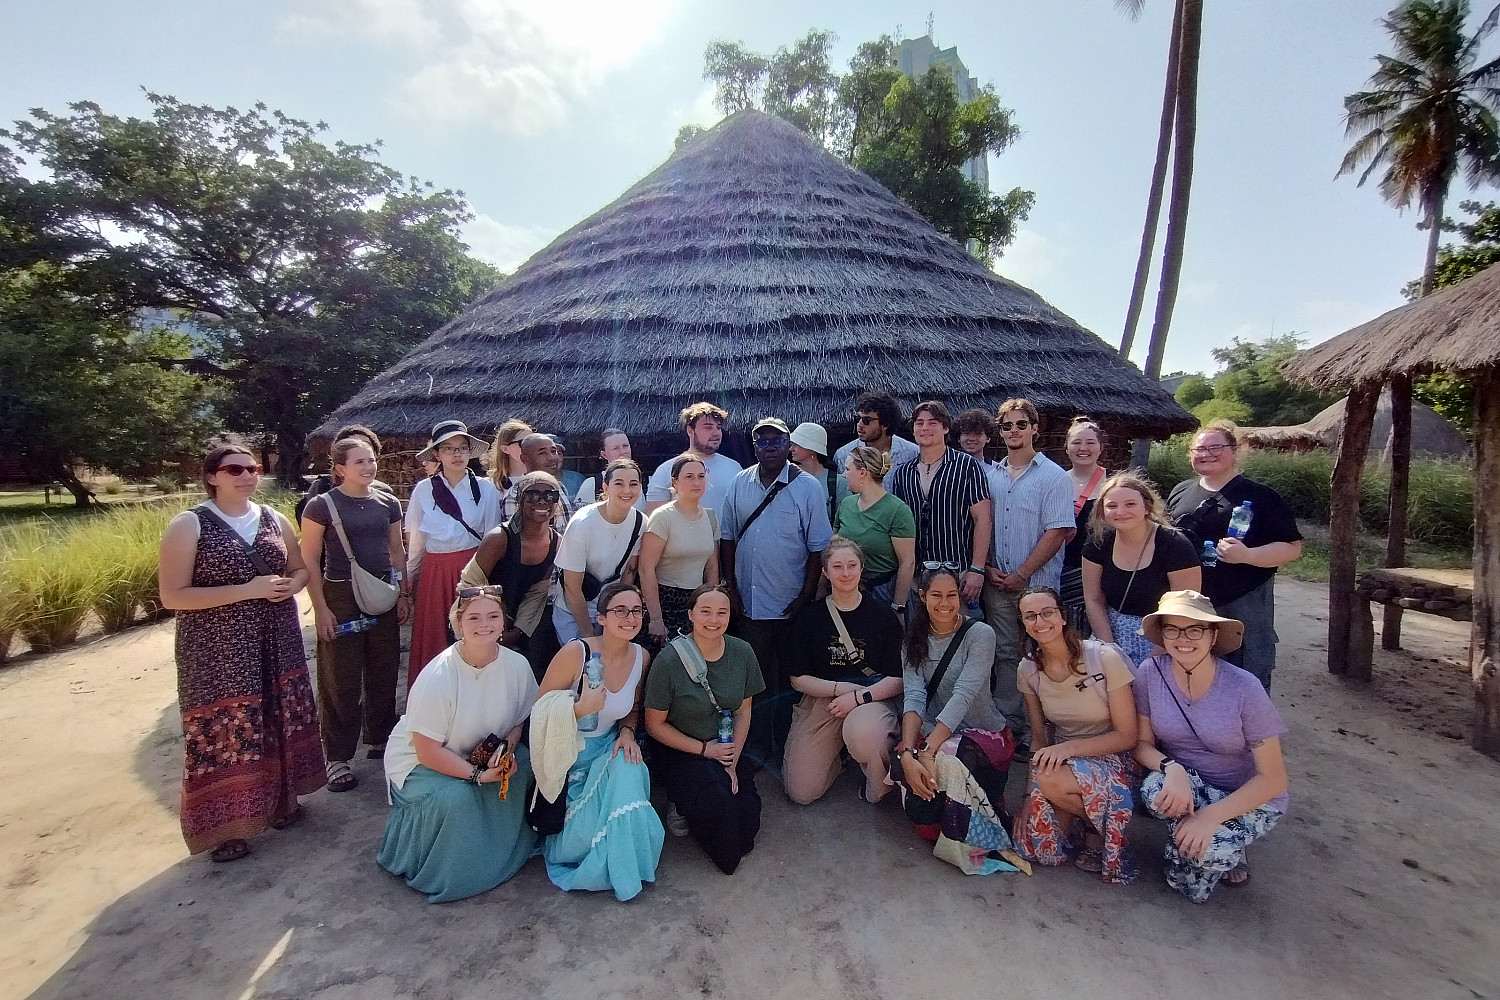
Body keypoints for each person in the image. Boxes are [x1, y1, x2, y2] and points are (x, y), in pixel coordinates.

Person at [158, 443, 324, 863]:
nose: (248, 475)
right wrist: (246, 591)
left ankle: (283, 802)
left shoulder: (273, 518)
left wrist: (295, 584)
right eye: (235, 469)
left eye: (252, 468)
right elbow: (171, 595)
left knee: (278, 714)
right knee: (229, 729)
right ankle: (226, 827)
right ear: (212, 476)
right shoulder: (189, 525)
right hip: (219, 648)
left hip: (276, 636)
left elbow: (298, 567)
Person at [377, 587, 539, 902]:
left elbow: (519, 720)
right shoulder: (439, 675)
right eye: (474, 618)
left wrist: (505, 750)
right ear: (458, 624)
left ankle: (503, 851)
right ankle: (454, 872)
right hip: (422, 761)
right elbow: (427, 751)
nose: (484, 625)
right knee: (458, 798)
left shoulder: (517, 665)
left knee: (526, 767)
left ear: (503, 622)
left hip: (481, 751)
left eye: (493, 616)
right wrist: (477, 775)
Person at [1132, 590, 1290, 902]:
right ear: (1162, 635)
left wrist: (1210, 816)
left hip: (1243, 793)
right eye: (1172, 629)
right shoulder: (1151, 673)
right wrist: (1171, 768)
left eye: (1195, 629)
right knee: (1155, 789)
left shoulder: (1245, 688)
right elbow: (1141, 744)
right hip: (1187, 782)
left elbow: (1273, 779)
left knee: (1201, 867)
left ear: (1213, 634)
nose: (1183, 639)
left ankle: (1213, 840)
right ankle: (1189, 837)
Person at [533, 581, 663, 901]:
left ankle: (629, 871)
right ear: (601, 618)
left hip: (608, 745)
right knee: (578, 841)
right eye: (620, 610)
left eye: (636, 611)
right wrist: (579, 709)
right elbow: (539, 711)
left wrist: (628, 733)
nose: (629, 618)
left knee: (631, 768)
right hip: (569, 756)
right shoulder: (577, 653)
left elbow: (631, 709)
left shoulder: (642, 656)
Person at [720, 417, 834, 767]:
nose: (769, 447)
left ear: (789, 446)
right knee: (753, 682)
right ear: (755, 447)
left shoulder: (809, 488)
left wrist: (805, 597)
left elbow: (818, 548)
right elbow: (726, 539)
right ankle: (754, 749)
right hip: (750, 606)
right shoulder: (740, 482)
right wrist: (731, 589)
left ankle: (785, 749)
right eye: (762, 442)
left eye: (776, 441)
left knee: (787, 681)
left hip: (789, 606)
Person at [892, 567, 1020, 873]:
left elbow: (962, 696)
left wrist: (927, 751)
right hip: (935, 736)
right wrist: (909, 752)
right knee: (922, 815)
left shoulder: (980, 635)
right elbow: (913, 697)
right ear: (922, 597)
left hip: (980, 738)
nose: (945, 603)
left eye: (952, 595)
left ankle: (985, 812)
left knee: (951, 758)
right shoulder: (912, 641)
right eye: (936, 595)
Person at [300, 437, 409, 793]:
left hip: (381, 593)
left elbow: (397, 550)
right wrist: (321, 608)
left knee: (383, 667)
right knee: (340, 677)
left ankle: (379, 736)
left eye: (371, 460)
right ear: (340, 468)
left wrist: (403, 592)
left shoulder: (388, 501)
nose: (368, 467)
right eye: (359, 462)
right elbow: (310, 561)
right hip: (341, 595)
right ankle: (338, 756)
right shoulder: (321, 506)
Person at [1011, 587, 1138, 884]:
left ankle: (1105, 833)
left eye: (1047, 612)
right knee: (1035, 848)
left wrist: (1068, 751)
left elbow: (1128, 735)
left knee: (1050, 778)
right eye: (1030, 616)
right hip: (1062, 763)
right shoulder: (1028, 670)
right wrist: (1028, 796)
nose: (1040, 622)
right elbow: (1039, 738)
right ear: (1024, 624)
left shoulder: (1103, 658)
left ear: (1063, 616)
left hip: (1112, 759)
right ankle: (1089, 820)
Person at [1168, 420, 1304, 690]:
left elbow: (1292, 547)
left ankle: (1250, 731)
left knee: (1246, 671)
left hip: (1242, 599)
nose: (1206, 454)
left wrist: (1248, 555)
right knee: (1192, 667)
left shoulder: (1262, 496)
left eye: (1215, 447)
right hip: (1191, 599)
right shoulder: (1180, 491)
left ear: (1235, 451)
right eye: (1199, 449)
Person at [644, 585, 764, 874]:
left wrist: (731, 762)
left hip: (724, 745)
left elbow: (743, 711)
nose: (714, 619)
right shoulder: (669, 660)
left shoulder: (742, 652)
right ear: (691, 615)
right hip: (683, 749)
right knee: (718, 806)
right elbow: (654, 724)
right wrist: (705, 750)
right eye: (705, 611)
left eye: (721, 612)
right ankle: (682, 801)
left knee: (747, 817)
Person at [782, 537, 905, 804]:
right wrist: (839, 689)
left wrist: (858, 697)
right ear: (825, 572)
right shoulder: (810, 618)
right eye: (837, 567)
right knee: (800, 793)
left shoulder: (882, 616)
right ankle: (836, 760)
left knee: (865, 734)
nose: (846, 573)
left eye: (852, 565)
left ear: (862, 568)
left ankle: (876, 786)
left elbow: (898, 678)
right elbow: (797, 678)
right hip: (824, 698)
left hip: (869, 696)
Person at [981, 399, 1076, 741]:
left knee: (1041, 652)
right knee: (1005, 652)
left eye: (1022, 425)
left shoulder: (1053, 477)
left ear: (1035, 428)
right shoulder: (990, 476)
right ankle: (1010, 726)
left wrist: (1022, 573)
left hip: (1036, 585)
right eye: (1007, 426)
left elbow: (1057, 532)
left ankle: (1041, 727)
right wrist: (989, 567)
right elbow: (982, 526)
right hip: (997, 582)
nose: (1014, 431)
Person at [405, 421, 503, 689]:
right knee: (435, 635)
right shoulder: (424, 491)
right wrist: (409, 579)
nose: (456, 454)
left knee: (474, 632)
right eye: (448, 449)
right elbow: (416, 542)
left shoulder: (485, 490)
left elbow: (492, 538)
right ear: (437, 454)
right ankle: (434, 693)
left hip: (472, 569)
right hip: (435, 571)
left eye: (462, 448)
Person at [1082, 471, 1201, 665]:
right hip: (1110, 633)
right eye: (1112, 506)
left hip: (1166, 637)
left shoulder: (1175, 545)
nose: (1120, 512)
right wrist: (1109, 648)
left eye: (1130, 504)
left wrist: (1154, 659)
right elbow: (1093, 599)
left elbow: (1186, 608)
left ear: (1146, 507)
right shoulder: (1098, 542)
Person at [886, 401, 992, 606]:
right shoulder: (903, 474)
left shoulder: (967, 466)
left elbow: (983, 518)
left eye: (932, 422)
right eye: (919, 423)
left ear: (945, 428)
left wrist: (977, 569)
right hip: (916, 579)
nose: (925, 428)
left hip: (958, 575)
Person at [460, 471, 563, 679]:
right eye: (533, 495)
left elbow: (537, 594)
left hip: (520, 623)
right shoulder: (499, 539)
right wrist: (492, 624)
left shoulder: (557, 543)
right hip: (481, 620)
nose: (542, 501)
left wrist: (516, 632)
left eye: (550, 495)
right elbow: (469, 585)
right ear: (520, 500)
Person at [553, 458, 646, 644]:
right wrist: (589, 634)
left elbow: (629, 571)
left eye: (633, 484)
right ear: (605, 487)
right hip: (573, 611)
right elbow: (572, 586)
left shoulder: (640, 522)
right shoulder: (582, 524)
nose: (627, 490)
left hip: (610, 610)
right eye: (619, 484)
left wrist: (616, 611)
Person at [639, 454, 721, 644]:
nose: (696, 482)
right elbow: (645, 568)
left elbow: (712, 567)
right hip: (665, 602)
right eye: (689, 477)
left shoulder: (711, 517)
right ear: (675, 482)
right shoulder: (662, 517)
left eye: (701, 476)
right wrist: (656, 618)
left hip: (698, 602)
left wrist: (712, 605)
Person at [834, 446, 916, 609]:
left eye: (848, 469)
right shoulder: (847, 504)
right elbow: (833, 548)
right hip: (845, 587)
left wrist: (898, 606)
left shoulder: (897, 510)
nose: (844, 475)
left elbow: (907, 563)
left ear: (863, 472)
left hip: (881, 593)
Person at [645, 403, 743, 515]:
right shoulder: (667, 470)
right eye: (708, 427)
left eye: (718, 427)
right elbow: (654, 521)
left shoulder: (734, 468)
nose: (716, 433)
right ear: (690, 431)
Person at [1060, 418, 1108, 634]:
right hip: (1062, 569)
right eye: (1077, 442)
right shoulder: (1055, 481)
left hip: (1103, 571)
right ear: (1067, 448)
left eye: (1090, 442)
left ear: (1100, 447)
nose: (1083, 448)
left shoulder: (1114, 483)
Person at [295, 423, 393, 523]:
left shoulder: (384, 493)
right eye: (352, 443)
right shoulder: (323, 488)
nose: (360, 446)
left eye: (366, 444)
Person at [833, 390, 920, 477]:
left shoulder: (912, 453)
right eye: (858, 418)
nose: (860, 424)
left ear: (885, 424)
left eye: (867, 420)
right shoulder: (843, 455)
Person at [789, 421, 847, 524]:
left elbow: (844, 522)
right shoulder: (786, 477)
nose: (791, 449)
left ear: (812, 449)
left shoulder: (837, 483)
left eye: (796, 444)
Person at [574, 428, 644, 509]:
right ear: (604, 455)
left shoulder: (645, 482)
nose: (623, 451)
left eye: (625, 446)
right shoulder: (592, 484)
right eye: (616, 448)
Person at [521, 433, 580, 528]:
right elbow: (518, 538)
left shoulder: (560, 487)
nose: (552, 457)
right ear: (524, 459)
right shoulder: (516, 493)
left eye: (554, 451)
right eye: (542, 453)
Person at [488, 418, 534, 523]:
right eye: (523, 443)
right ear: (505, 449)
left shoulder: (542, 480)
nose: (529, 447)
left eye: (532, 441)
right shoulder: (491, 486)